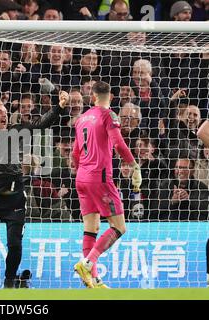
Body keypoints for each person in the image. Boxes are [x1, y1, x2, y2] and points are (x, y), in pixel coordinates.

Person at [0, 90, 70, 289]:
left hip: (15, 199)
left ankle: (10, 282)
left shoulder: (17, 131)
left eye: (5, 111)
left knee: (14, 244)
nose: (3, 114)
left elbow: (40, 124)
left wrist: (59, 107)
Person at [72, 81, 142, 289]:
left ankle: (93, 279)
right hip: (100, 178)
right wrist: (134, 166)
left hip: (82, 178)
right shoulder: (109, 115)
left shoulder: (81, 119)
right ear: (110, 97)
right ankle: (87, 263)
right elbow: (119, 143)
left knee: (91, 228)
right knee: (119, 227)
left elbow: (75, 153)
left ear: (92, 97)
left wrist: (82, 171)